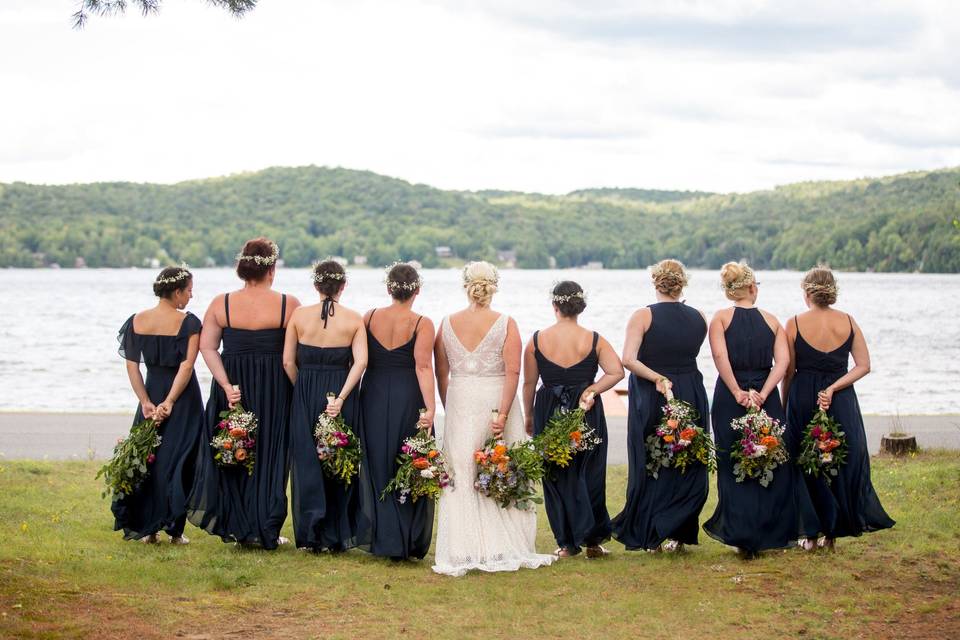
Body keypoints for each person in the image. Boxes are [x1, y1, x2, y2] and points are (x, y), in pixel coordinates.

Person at [432, 261, 555, 576]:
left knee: (463, 469)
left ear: (467, 286)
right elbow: (513, 371)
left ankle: (461, 548)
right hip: (494, 399)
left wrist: (450, 404)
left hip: (460, 400)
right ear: (493, 287)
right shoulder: (506, 323)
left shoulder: (446, 323)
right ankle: (500, 544)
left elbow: (441, 372)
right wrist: (502, 413)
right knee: (501, 465)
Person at [187, 238, 300, 549]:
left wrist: (225, 384)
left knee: (233, 452)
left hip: (233, 382)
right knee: (271, 452)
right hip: (275, 384)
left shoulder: (221, 303)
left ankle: (238, 525)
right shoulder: (288, 304)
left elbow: (207, 347)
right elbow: (296, 352)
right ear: (271, 270)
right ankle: (266, 526)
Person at [703, 262, 820, 557]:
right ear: (752, 288)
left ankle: (740, 534)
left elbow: (720, 356)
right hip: (764, 396)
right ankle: (770, 531)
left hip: (731, 397)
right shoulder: (772, 321)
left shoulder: (720, 318)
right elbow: (782, 363)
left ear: (730, 291)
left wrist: (737, 392)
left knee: (733, 462)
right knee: (770, 459)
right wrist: (764, 394)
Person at [783, 266, 894, 550]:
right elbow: (864, 366)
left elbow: (789, 370)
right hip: (841, 397)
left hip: (805, 395)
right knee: (838, 460)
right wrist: (834, 387)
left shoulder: (794, 323)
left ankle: (810, 534)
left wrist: (785, 404)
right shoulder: (848, 321)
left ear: (807, 292)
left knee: (805, 461)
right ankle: (831, 535)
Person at [611, 260, 711, 553]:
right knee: (686, 454)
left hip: (652, 391)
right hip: (690, 389)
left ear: (656, 283)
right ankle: (678, 532)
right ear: (683, 284)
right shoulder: (699, 317)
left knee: (651, 457)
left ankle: (650, 530)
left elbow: (628, 359)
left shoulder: (643, 316)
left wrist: (656, 377)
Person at [522, 281, 623, 558]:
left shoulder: (536, 340)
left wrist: (529, 415)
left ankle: (566, 544)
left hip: (548, 408)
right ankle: (592, 541)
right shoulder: (594, 339)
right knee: (589, 471)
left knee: (555, 475)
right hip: (585, 407)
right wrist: (591, 390)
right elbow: (616, 372)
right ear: (580, 307)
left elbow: (529, 384)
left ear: (554, 306)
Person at [114, 266, 202, 544]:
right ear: (177, 292)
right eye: (189, 290)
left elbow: (132, 367)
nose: (191, 295)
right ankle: (175, 531)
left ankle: (149, 528)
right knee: (181, 459)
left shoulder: (137, 321)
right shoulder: (189, 322)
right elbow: (187, 366)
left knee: (148, 459)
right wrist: (171, 401)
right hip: (183, 396)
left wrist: (145, 401)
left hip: (151, 391)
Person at [284, 260, 367, 552]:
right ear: (342, 286)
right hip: (340, 391)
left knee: (307, 461)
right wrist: (342, 397)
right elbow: (361, 363)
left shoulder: (298, 315)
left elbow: (287, 362)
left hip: (305, 390)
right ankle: (335, 537)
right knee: (339, 460)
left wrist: (302, 389)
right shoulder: (355, 319)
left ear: (316, 285)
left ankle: (309, 535)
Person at [356, 263, 437, 560]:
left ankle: (384, 537)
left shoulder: (369, 317)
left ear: (389, 289)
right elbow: (423, 366)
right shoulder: (422, 323)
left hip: (374, 393)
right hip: (407, 393)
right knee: (407, 460)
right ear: (417, 290)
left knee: (377, 461)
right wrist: (430, 408)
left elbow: (361, 360)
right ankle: (406, 538)